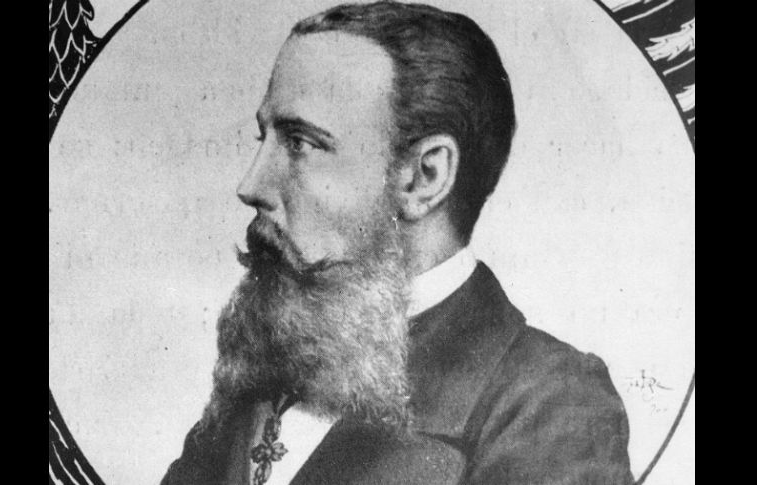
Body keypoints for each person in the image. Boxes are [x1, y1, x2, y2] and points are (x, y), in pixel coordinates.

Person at [161, 2, 633, 484]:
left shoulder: (549, 403)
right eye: (264, 138)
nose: (251, 185)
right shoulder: (269, 362)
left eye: (301, 143)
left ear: (424, 177)